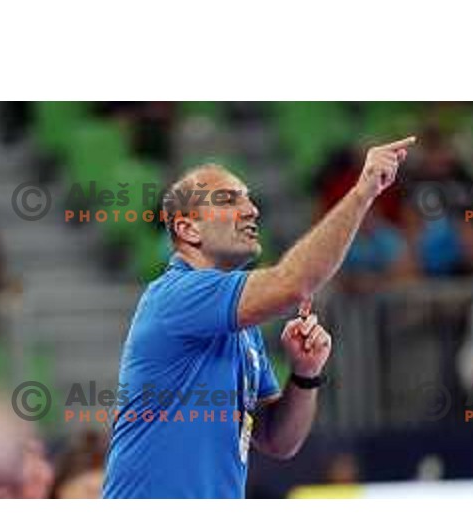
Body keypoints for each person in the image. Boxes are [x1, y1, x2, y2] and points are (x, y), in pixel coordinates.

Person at [103, 136, 416, 499]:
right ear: (188, 229)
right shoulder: (175, 295)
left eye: (250, 199)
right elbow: (293, 283)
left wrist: (304, 374)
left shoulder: (242, 329)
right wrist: (362, 192)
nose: (251, 210)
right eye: (229, 200)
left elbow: (277, 440)